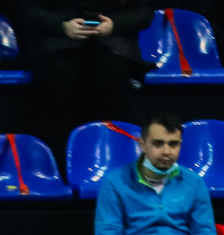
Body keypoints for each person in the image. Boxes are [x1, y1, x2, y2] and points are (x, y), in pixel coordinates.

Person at [93, 112, 224, 235]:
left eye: (173, 144)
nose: (167, 151)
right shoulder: (115, 183)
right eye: (158, 144)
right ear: (142, 143)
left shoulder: (194, 183)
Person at [16, 5, 153, 152]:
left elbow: (144, 11)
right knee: (58, 71)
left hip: (115, 40)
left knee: (113, 71)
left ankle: (109, 150)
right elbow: (27, 11)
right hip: (56, 39)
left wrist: (114, 24)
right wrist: (62, 25)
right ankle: (63, 153)